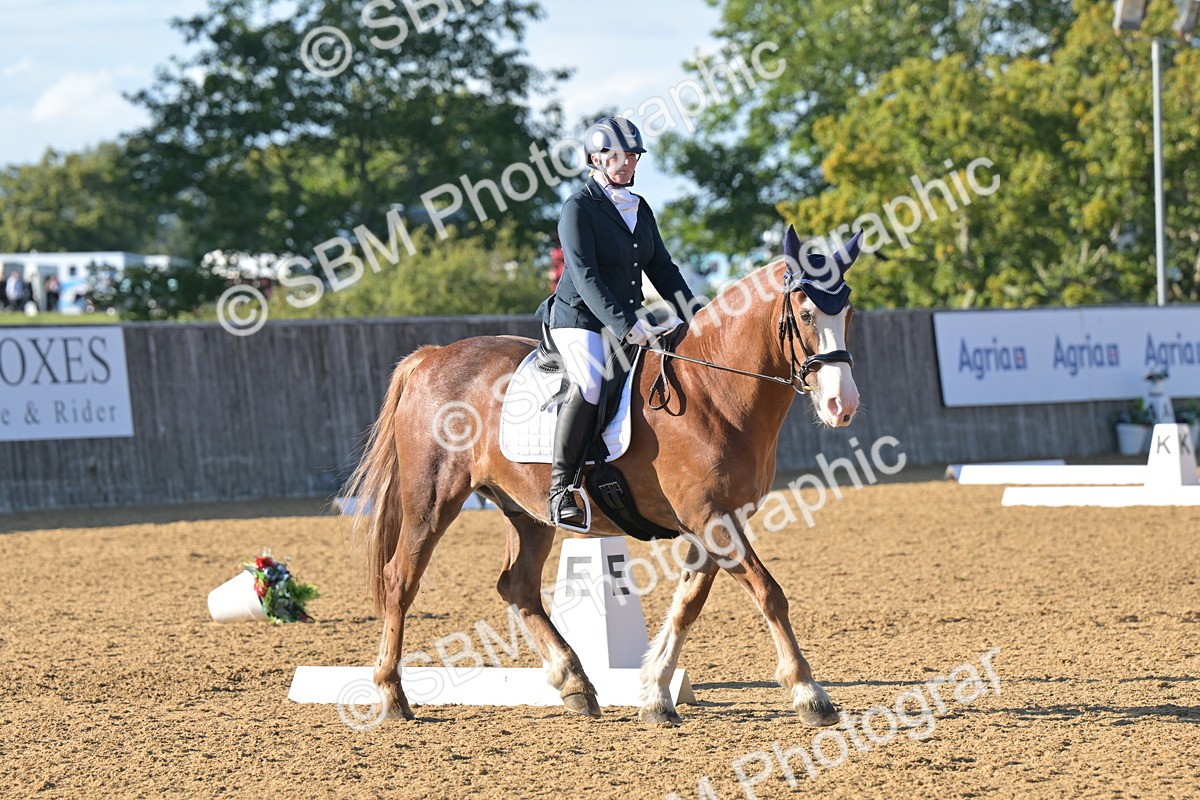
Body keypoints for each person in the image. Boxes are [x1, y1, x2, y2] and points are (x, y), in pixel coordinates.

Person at [535, 116, 699, 529]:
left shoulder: (639, 208)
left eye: (632, 156)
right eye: (616, 156)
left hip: (627, 319)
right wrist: (627, 324)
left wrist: (696, 315)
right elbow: (586, 276)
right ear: (595, 158)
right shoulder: (578, 208)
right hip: (580, 319)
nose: (625, 163)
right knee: (591, 382)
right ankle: (561, 489)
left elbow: (662, 267)